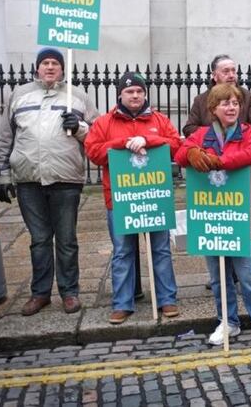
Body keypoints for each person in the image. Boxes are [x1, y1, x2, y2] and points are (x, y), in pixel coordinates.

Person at [0, 48, 98, 316]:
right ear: (37, 68)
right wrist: (3, 173)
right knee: (39, 239)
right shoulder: (19, 95)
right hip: (29, 179)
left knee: (66, 240)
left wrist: (80, 128)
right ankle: (40, 293)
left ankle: (69, 292)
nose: (50, 67)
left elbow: (97, 135)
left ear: (63, 69)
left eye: (55, 63)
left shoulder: (78, 95)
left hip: (66, 178)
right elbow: (4, 136)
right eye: (45, 63)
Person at [175, 83, 251, 346]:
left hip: (243, 216)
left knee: (249, 275)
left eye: (235, 103)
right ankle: (228, 322)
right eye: (226, 103)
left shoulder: (250, 133)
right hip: (211, 218)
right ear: (213, 108)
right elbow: (179, 154)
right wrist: (192, 151)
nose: (232, 107)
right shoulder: (201, 134)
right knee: (219, 276)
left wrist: (219, 161)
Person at [84, 72, 181, 324]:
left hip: (154, 197)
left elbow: (176, 145)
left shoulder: (158, 119)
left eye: (139, 91)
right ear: (120, 95)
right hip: (120, 199)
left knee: (160, 250)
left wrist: (148, 140)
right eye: (129, 91)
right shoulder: (105, 122)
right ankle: (122, 303)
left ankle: (167, 299)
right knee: (123, 252)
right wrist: (122, 143)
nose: (135, 95)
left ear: (145, 93)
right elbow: (93, 151)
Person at [182, 54, 251, 137]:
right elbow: (189, 128)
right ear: (215, 76)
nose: (231, 75)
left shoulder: (249, 97)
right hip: (209, 148)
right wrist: (215, 135)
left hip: (241, 146)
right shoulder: (200, 100)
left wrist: (235, 133)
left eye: (233, 71)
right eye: (226, 72)